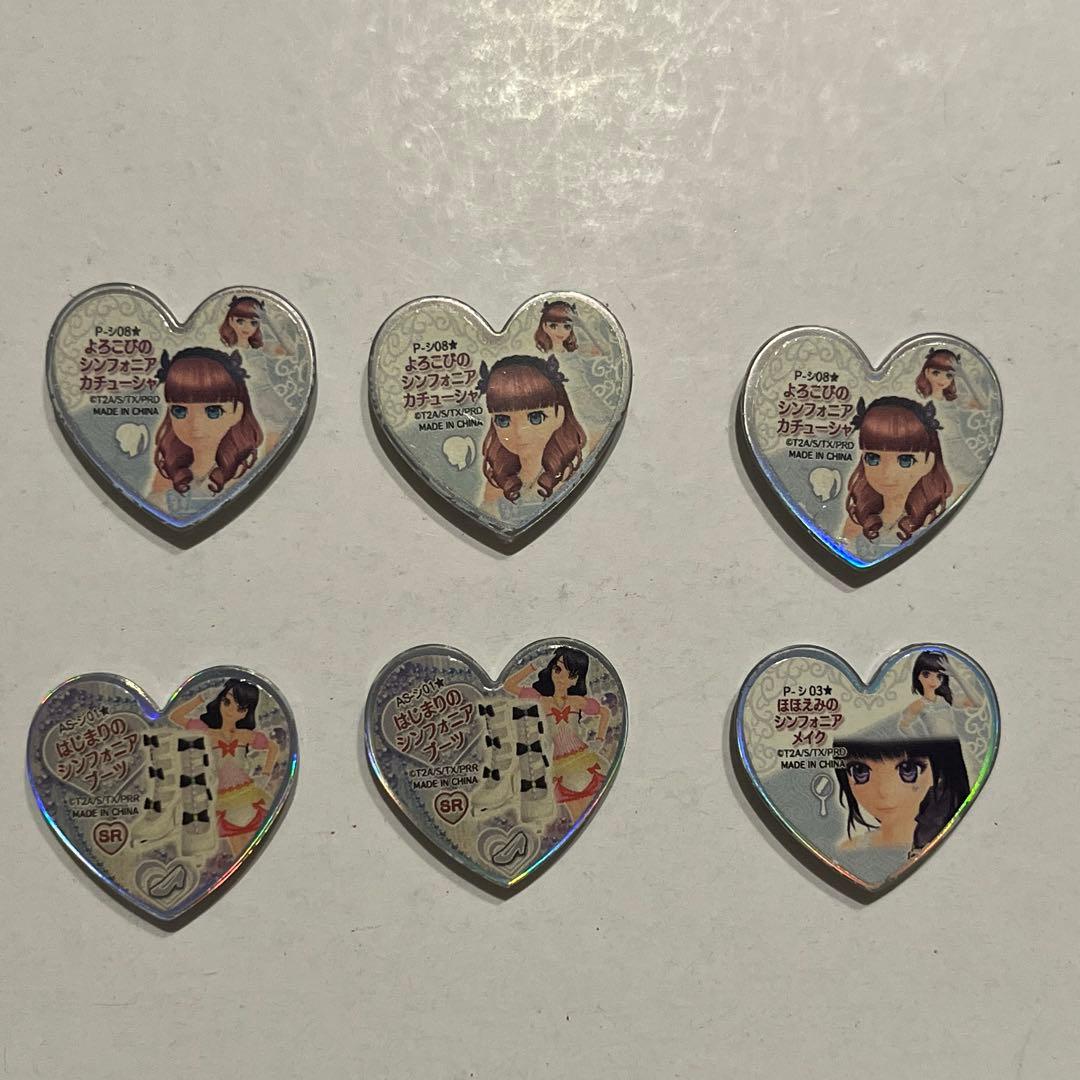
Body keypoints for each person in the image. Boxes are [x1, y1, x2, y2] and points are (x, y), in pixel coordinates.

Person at [170, 679, 277, 856]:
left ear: (246, 713)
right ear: (219, 701)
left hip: (247, 793)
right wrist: (202, 697)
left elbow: (273, 747)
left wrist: (265, 775)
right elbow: (176, 717)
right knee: (236, 843)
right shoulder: (207, 732)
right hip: (223, 796)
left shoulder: (245, 735)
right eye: (227, 702)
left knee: (251, 840)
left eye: (240, 708)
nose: (231, 710)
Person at [150, 347, 263, 514]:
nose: (195, 424)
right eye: (180, 411)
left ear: (237, 412)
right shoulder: (168, 472)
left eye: (213, 411)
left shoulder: (245, 472)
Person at [505, 648, 611, 824]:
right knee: (577, 816)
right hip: (561, 764)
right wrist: (533, 666)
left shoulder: (577, 701)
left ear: (576, 680)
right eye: (558, 669)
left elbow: (605, 712)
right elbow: (509, 686)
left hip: (585, 759)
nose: (562, 678)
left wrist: (599, 740)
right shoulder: (540, 700)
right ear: (551, 670)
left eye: (571, 675)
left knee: (591, 812)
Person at [842, 395, 952, 558]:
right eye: (873, 458)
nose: (887, 473)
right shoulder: (858, 521)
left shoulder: (932, 520)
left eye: (905, 460)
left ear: (929, 461)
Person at [478, 355, 587, 518]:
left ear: (560, 415)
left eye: (535, 417)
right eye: (503, 420)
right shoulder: (499, 483)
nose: (519, 432)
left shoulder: (568, 476)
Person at [834, 735, 970, 855]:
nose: (884, 791)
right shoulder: (849, 850)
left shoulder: (952, 845)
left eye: (908, 769)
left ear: (941, 772)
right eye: (860, 771)